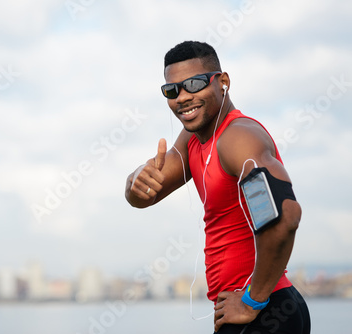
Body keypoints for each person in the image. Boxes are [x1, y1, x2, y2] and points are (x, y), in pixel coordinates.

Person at [124, 41, 311, 333]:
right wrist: (134, 182)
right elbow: (147, 193)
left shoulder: (238, 139)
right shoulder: (193, 140)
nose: (183, 97)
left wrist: (253, 300)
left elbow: (285, 216)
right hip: (249, 309)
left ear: (223, 82)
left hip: (265, 310)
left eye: (194, 84)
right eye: (172, 90)